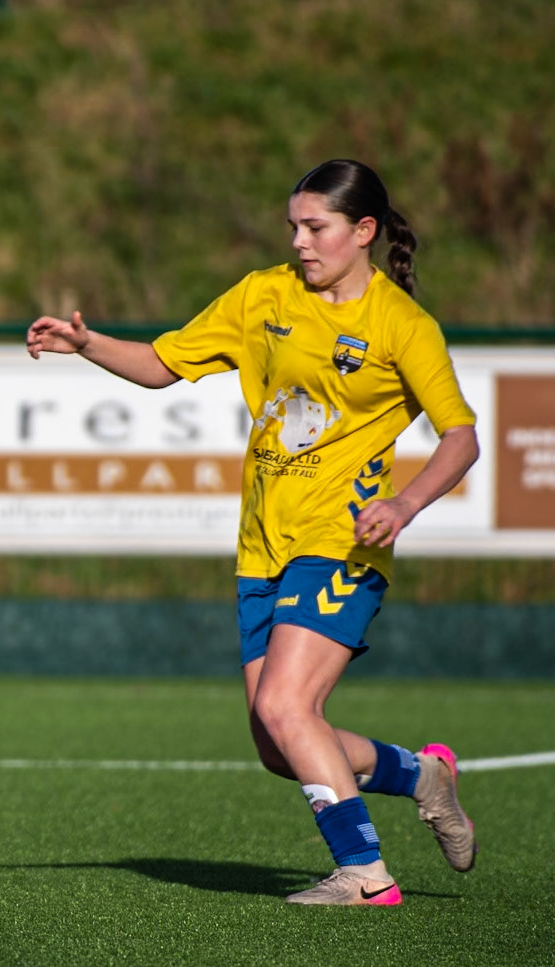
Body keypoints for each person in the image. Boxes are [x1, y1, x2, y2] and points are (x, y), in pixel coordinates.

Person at [26, 159, 479, 906]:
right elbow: (161, 364)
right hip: (261, 544)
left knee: (285, 709)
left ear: (363, 231)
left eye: (315, 227)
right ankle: (421, 774)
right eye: (293, 226)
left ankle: (365, 876)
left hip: (340, 541)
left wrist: (403, 505)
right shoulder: (262, 294)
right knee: (278, 744)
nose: (299, 241)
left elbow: (460, 439)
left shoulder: (401, 324)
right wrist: (87, 344)